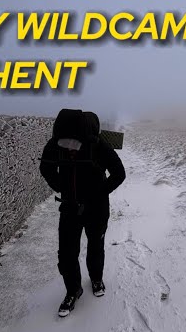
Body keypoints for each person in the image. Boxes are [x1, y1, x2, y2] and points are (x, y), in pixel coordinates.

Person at [39, 109, 126, 317]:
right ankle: (73, 290)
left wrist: (99, 192)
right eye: (65, 142)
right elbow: (46, 167)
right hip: (69, 207)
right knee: (67, 252)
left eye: (74, 143)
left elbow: (119, 173)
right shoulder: (56, 144)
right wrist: (60, 186)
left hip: (97, 208)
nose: (69, 147)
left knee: (95, 245)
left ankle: (96, 278)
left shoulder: (98, 145)